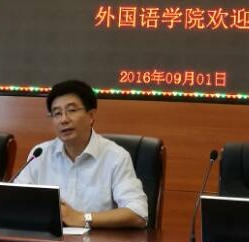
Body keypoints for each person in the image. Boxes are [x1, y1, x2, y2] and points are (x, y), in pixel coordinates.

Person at [13, 79, 148, 229]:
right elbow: (14, 201)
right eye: (57, 113)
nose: (64, 120)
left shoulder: (116, 157)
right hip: (48, 240)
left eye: (71, 110)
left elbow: (138, 213)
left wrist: (82, 218)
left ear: (91, 115)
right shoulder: (40, 154)